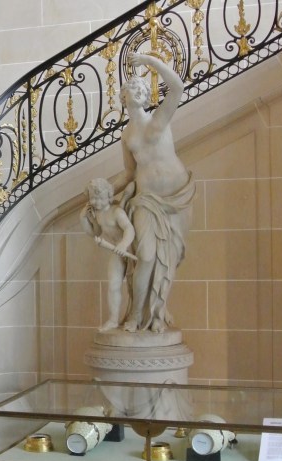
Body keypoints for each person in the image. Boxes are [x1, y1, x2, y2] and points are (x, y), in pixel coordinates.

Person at [112, 53, 196, 333]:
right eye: (131, 88)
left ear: (147, 96)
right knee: (146, 256)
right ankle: (135, 315)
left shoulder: (159, 118)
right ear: (123, 97)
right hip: (146, 201)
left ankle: (157, 314)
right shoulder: (127, 135)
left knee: (168, 258)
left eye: (141, 89)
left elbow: (178, 87)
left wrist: (149, 60)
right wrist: (107, 190)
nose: (137, 91)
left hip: (178, 197)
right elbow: (128, 172)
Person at [80, 178, 136, 331]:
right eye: (93, 198)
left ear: (109, 196)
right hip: (116, 251)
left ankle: (136, 318)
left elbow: (129, 229)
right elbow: (96, 232)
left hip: (130, 249)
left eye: (101, 198)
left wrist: (123, 244)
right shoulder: (97, 213)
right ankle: (113, 320)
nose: (97, 202)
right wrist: (87, 219)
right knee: (113, 284)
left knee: (135, 287)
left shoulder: (116, 212)